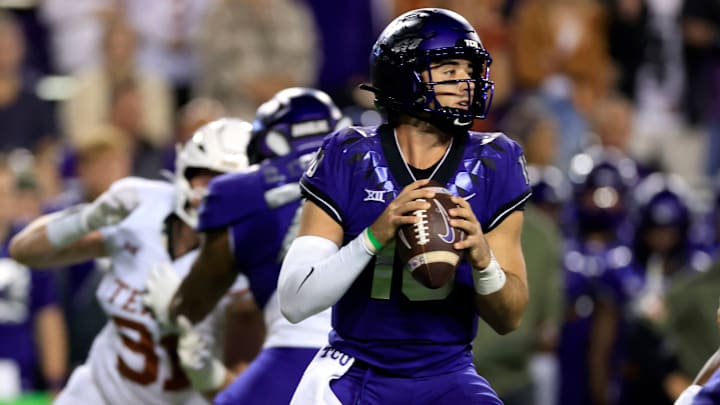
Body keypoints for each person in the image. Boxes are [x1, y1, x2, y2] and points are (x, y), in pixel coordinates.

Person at [277, 8, 531, 404]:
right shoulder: (349, 155)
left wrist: (484, 261)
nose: (467, 83)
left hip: (449, 372)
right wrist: (373, 237)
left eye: (470, 69)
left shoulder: (495, 159)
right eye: (449, 71)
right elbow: (295, 300)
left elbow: (510, 317)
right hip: (357, 367)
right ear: (404, 77)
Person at [9, 118, 252, 404]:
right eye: (202, 174)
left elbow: (248, 392)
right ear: (184, 170)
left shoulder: (249, 260)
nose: (207, 190)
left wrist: (201, 364)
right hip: (98, 393)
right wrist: (86, 219)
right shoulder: (144, 206)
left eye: (224, 180)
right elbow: (24, 251)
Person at [142, 87, 350, 404]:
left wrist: (174, 312)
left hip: (295, 351)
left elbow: (193, 305)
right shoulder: (380, 170)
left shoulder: (238, 193)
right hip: (389, 356)